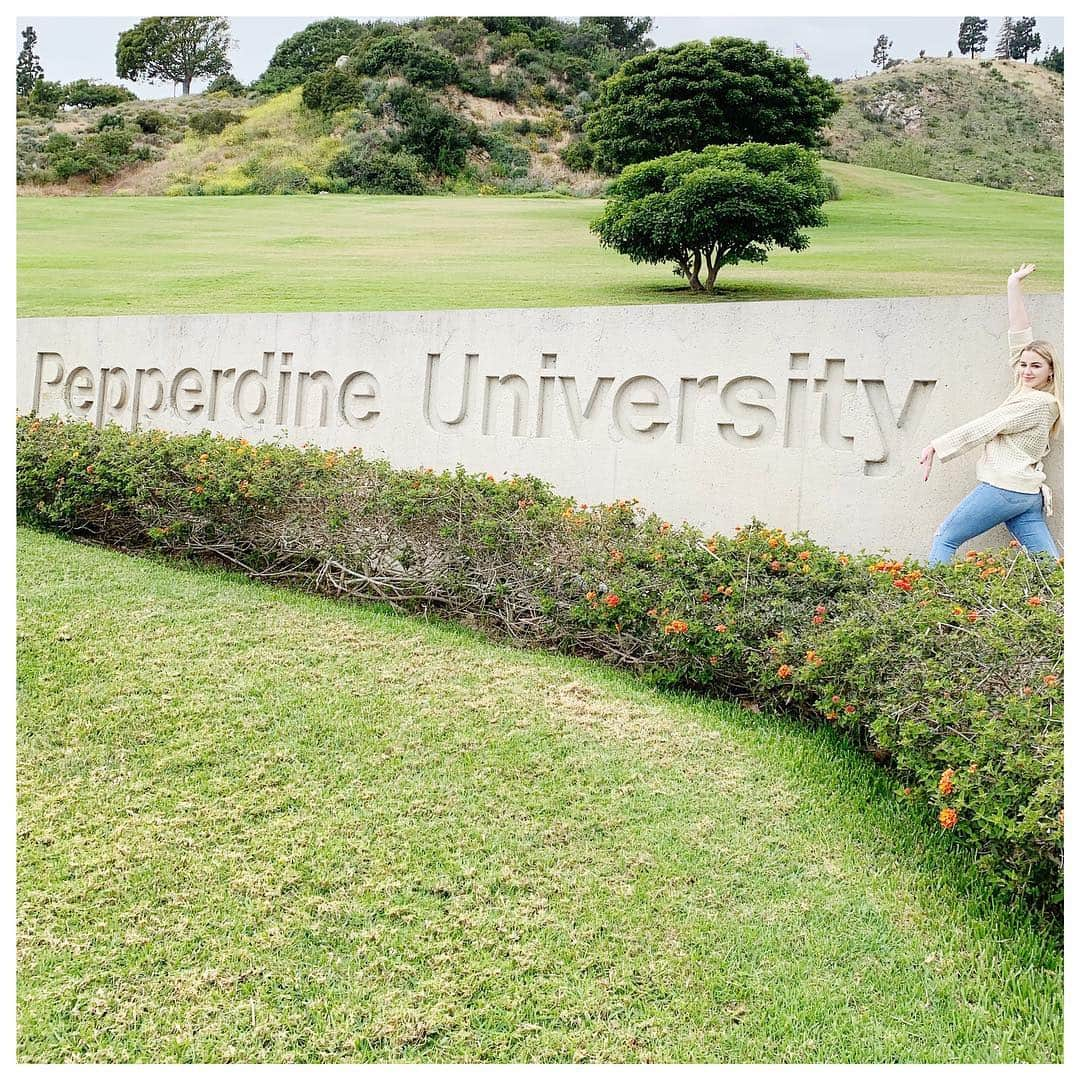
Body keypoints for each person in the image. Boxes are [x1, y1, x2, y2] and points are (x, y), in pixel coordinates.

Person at [919, 263, 1063, 565]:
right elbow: (1021, 339)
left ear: (1050, 373)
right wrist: (1013, 284)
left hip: (1005, 489)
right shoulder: (1028, 392)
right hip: (1026, 496)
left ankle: (930, 603)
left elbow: (987, 426)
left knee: (946, 537)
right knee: (1050, 566)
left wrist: (937, 445)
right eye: (1023, 365)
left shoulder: (1037, 404)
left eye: (1036, 367)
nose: (1026, 370)